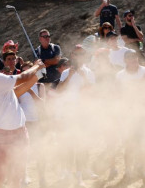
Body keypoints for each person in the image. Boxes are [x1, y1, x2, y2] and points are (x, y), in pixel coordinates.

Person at [0, 43, 45, 188]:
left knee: (16, 179)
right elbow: (23, 76)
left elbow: (15, 93)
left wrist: (36, 77)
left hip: (18, 133)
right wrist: (37, 66)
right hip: (2, 136)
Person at [57, 45, 97, 187]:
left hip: (83, 113)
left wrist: (84, 77)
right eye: (76, 54)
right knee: (69, 146)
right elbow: (59, 91)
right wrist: (69, 77)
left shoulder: (89, 72)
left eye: (81, 54)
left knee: (81, 145)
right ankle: (67, 173)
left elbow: (91, 92)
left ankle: (80, 176)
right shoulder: (65, 72)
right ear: (72, 55)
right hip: (68, 113)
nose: (78, 56)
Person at [115, 50, 145, 188]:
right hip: (127, 115)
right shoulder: (120, 75)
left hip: (142, 113)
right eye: (130, 58)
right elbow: (119, 94)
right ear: (125, 60)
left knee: (143, 146)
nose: (133, 60)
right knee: (129, 146)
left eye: (134, 57)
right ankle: (128, 172)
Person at [19, 61, 46, 187]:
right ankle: (24, 177)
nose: (27, 74)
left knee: (40, 152)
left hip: (37, 123)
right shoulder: (18, 87)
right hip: (23, 124)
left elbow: (43, 104)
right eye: (24, 72)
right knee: (23, 153)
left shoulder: (40, 86)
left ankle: (42, 178)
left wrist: (30, 92)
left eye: (28, 71)